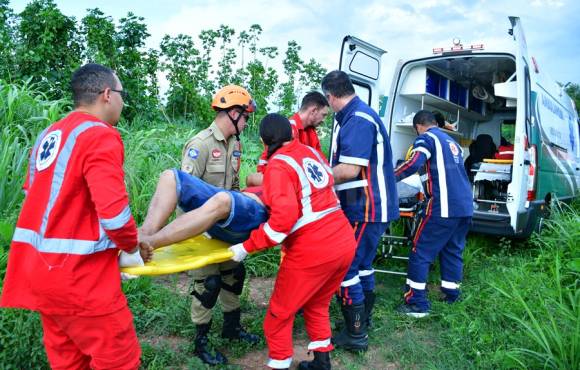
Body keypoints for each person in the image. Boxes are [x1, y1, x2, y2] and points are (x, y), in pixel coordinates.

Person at [0, 63, 151, 369]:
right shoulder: (100, 135)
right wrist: (133, 249)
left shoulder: (49, 134)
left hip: (41, 275)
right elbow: (115, 216)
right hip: (84, 282)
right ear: (107, 94)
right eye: (122, 94)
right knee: (119, 362)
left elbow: (37, 200)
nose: (124, 101)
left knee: (68, 363)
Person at [227, 113, 356, 370]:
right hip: (343, 240)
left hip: (313, 249)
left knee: (279, 314)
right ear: (291, 133)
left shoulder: (278, 166)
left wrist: (245, 247)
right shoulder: (310, 152)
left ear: (265, 141)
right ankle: (322, 363)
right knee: (317, 304)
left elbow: (282, 222)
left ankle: (279, 364)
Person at [145, 84, 259, 366]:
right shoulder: (200, 145)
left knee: (234, 273)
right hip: (202, 228)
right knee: (208, 283)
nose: (246, 122)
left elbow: (232, 187)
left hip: (225, 225)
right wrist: (195, 230)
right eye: (244, 116)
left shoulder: (235, 144)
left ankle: (232, 328)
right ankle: (201, 342)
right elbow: (184, 193)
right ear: (233, 113)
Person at [321, 70, 399, 351]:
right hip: (371, 207)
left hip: (365, 206)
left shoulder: (357, 120)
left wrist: (314, 178)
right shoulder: (361, 115)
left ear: (330, 97)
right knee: (363, 265)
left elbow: (349, 170)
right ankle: (363, 321)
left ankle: (355, 334)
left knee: (345, 266)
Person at [394, 110, 473, 317]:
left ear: (418, 126)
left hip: (443, 208)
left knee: (420, 251)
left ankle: (417, 303)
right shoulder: (452, 142)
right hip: (464, 207)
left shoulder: (426, 139)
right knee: (452, 250)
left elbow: (413, 164)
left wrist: (385, 178)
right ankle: (451, 294)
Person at [246, 91, 329, 186]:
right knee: (251, 179)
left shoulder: (311, 132)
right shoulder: (288, 130)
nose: (323, 120)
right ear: (313, 111)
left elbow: (319, 161)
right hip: (277, 178)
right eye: (323, 115)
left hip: (297, 179)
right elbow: (283, 167)